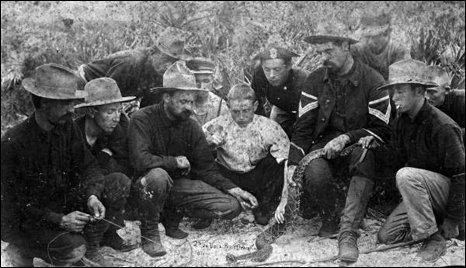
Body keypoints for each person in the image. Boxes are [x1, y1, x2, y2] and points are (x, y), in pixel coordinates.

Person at [1, 64, 131, 266]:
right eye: (66, 104)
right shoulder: (14, 143)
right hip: (27, 221)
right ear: (44, 103)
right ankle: (22, 248)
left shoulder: (67, 127)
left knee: (116, 182)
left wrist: (92, 196)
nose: (72, 109)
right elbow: (15, 206)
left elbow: (88, 167)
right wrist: (60, 220)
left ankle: (87, 245)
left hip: (60, 205)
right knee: (74, 248)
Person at [128, 59, 258, 257]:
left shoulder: (191, 126)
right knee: (158, 176)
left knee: (230, 207)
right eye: (183, 101)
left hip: (177, 187)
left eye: (191, 101)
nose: (189, 107)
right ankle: (150, 232)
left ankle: (172, 216)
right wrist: (174, 161)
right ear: (167, 97)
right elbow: (139, 160)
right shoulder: (142, 118)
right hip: (144, 186)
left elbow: (206, 169)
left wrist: (235, 189)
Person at [288, 33, 391, 263]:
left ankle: (348, 233)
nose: (323, 58)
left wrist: (348, 137)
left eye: (328, 52)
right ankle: (331, 216)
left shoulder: (373, 81)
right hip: (325, 147)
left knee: (363, 154)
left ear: (346, 46)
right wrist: (293, 163)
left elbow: (383, 130)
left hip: (361, 147)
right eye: (319, 53)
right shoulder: (314, 80)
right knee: (313, 170)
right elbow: (303, 127)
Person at [372, 59, 465, 262]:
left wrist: (453, 220)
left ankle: (433, 238)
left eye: (400, 91)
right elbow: (393, 162)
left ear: (419, 92)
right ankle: (430, 224)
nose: (394, 97)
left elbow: (460, 176)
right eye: (393, 92)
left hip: (451, 195)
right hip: (424, 193)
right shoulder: (400, 124)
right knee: (386, 236)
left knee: (406, 175)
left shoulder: (443, 126)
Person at [203, 83, 290, 226]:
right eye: (235, 111)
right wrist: (209, 143)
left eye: (246, 110)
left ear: (255, 106)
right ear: (228, 106)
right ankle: (209, 209)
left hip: (256, 177)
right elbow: (195, 146)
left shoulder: (269, 127)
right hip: (228, 177)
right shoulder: (218, 124)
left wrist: (285, 199)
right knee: (206, 162)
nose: (241, 117)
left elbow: (286, 161)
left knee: (276, 163)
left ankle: (264, 205)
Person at [74, 77, 138, 252]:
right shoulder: (73, 133)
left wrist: (105, 159)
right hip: (76, 190)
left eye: (119, 110)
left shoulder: (116, 129)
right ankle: (87, 239)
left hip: (97, 185)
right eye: (110, 111)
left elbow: (126, 162)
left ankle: (108, 233)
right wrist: (103, 157)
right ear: (92, 111)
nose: (116, 117)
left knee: (120, 179)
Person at [77, 26, 192, 111]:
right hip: (83, 85)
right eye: (165, 59)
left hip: (107, 97)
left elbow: (148, 110)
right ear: (153, 52)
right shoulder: (131, 62)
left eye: (173, 62)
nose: (168, 65)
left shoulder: (161, 75)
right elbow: (107, 97)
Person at [351, 12, 410, 120]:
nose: (368, 42)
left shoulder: (397, 51)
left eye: (374, 37)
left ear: (387, 35)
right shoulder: (358, 50)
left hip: (391, 99)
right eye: (366, 37)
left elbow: (401, 83)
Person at [251, 44, 309, 137]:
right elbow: (255, 103)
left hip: (305, 113)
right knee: (271, 135)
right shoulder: (259, 73)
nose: (271, 75)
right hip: (280, 107)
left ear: (289, 66)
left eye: (277, 69)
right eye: (267, 69)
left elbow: (307, 120)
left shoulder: (303, 80)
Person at [184, 57, 230, 126]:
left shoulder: (221, 107)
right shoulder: (179, 104)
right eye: (197, 81)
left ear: (212, 81)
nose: (201, 86)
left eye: (206, 81)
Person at [425, 65, 465, 134]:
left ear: (446, 90)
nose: (426, 97)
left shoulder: (462, 101)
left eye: (431, 92)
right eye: (422, 91)